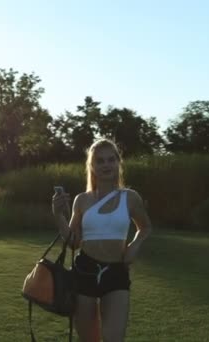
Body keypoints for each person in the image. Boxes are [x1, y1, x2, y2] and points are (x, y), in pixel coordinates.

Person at [52, 138, 153, 342]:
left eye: (111, 159)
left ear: (118, 163)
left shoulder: (130, 197)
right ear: (92, 166)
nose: (106, 165)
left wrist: (134, 245)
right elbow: (73, 242)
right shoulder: (82, 200)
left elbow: (146, 227)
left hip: (116, 272)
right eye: (100, 161)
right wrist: (58, 215)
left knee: (113, 338)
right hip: (85, 271)